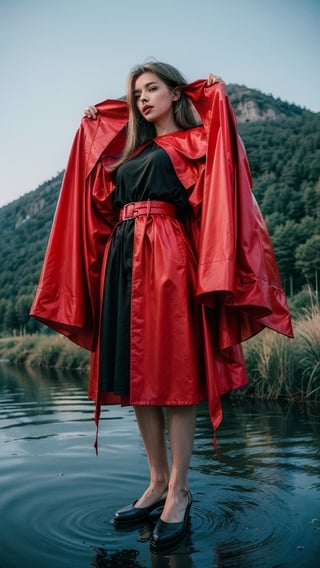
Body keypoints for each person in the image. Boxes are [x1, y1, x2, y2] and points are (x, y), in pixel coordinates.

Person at [30, 61, 293, 551]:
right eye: (136, 94)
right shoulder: (132, 150)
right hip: (123, 260)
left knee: (174, 377)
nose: (143, 99)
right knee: (138, 378)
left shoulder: (196, 141)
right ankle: (155, 482)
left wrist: (216, 99)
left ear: (175, 93)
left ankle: (181, 490)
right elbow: (99, 195)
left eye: (152, 89)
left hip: (169, 257)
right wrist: (95, 126)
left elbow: (224, 181)